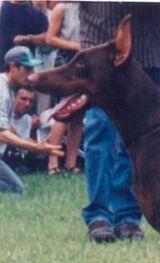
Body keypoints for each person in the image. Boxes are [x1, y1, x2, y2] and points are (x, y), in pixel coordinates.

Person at [79, 2, 160, 243]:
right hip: (101, 48)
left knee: (137, 140)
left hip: (146, 50)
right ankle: (98, 214)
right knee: (100, 132)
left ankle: (128, 215)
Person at [0, 46, 62, 192]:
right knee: (15, 189)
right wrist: (34, 147)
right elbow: (1, 133)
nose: (31, 74)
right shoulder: (2, 90)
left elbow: (6, 126)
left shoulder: (8, 89)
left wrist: (32, 141)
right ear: (13, 67)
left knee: (15, 189)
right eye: (27, 69)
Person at [45, 1, 82, 174]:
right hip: (67, 61)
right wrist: (74, 45)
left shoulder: (88, 8)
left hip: (83, 62)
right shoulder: (62, 8)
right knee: (63, 113)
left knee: (78, 114)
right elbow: (50, 38)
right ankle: (52, 162)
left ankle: (71, 163)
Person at [0, 0, 48, 72]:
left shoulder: (37, 15)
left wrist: (28, 38)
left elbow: (47, 39)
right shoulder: (1, 7)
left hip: (23, 68)